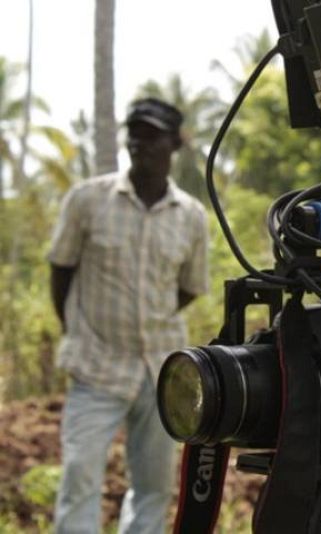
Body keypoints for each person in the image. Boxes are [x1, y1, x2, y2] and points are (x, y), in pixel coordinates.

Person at [48, 97, 209, 534]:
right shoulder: (87, 200)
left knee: (153, 484)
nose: (139, 144)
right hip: (96, 364)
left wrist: (150, 316)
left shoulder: (191, 216)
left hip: (161, 369)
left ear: (175, 143)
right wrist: (75, 330)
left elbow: (189, 288)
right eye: (134, 134)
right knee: (80, 473)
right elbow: (61, 268)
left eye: (152, 135)